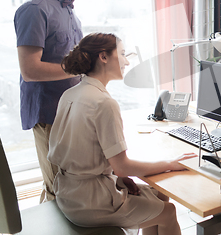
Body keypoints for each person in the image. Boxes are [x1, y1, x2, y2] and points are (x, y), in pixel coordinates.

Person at [48, 33, 196, 234]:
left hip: (68, 193)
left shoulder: (70, 94)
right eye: (123, 54)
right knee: (168, 211)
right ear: (104, 57)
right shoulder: (104, 103)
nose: (127, 61)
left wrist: (117, 178)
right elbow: (122, 166)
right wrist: (171, 164)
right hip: (91, 203)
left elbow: (82, 154)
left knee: (159, 195)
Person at [14, 0, 88, 202]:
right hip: (49, 115)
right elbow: (30, 70)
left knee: (68, 189)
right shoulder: (34, 10)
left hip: (72, 111)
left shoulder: (69, 11)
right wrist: (81, 68)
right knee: (58, 190)